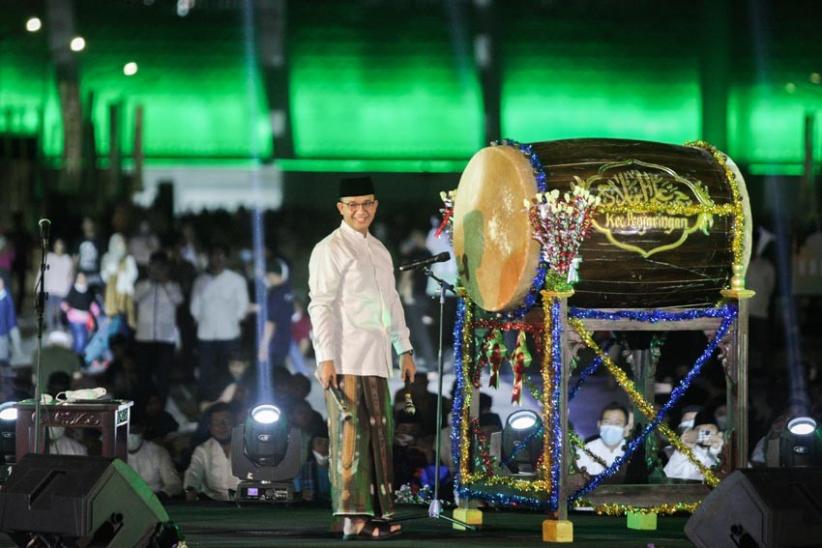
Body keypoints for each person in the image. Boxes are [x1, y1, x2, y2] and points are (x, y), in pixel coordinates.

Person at [308, 176, 415, 540]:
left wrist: (405, 348)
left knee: (377, 437)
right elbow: (320, 305)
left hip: (376, 359)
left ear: (376, 205)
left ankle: (376, 513)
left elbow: (393, 303)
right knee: (350, 438)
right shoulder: (331, 248)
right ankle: (351, 517)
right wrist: (325, 358)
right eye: (353, 205)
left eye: (367, 203)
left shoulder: (380, 250)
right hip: (345, 358)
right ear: (341, 208)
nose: (361, 211)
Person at [190, 244, 249, 401]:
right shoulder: (200, 281)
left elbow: (242, 306)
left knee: (229, 372)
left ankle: (230, 403)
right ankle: (205, 405)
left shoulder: (236, 280)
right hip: (206, 335)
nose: (217, 259)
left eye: (221, 256)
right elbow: (194, 307)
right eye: (214, 256)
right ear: (209, 258)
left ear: (227, 259)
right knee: (206, 372)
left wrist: (232, 320)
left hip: (229, 334)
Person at [134, 251, 183, 404]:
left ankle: (161, 408)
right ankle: (143, 407)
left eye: (160, 267)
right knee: (143, 376)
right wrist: (151, 282)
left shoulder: (173, 286)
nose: (156, 270)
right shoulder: (142, 285)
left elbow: (178, 300)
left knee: (163, 377)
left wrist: (164, 283)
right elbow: (136, 298)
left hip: (165, 338)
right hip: (144, 337)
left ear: (166, 268)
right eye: (154, 266)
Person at [183, 402, 240, 501]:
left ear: (236, 422)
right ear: (210, 427)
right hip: (213, 505)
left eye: (226, 421)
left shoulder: (251, 446)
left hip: (247, 503)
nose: (222, 426)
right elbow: (193, 474)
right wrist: (190, 491)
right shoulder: (203, 449)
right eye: (216, 422)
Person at [127, 420, 182, 500]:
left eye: (134, 431)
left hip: (156, 502)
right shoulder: (115, 454)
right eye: (127, 431)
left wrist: (162, 494)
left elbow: (174, 484)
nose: (130, 435)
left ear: (142, 432)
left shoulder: (158, 452)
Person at [257, 257, 294, 372]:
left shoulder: (275, 293)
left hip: (273, 344)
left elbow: (271, 321)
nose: (266, 278)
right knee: (279, 374)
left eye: (267, 275)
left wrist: (264, 346)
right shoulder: (288, 291)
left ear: (273, 274)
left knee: (270, 377)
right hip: (284, 341)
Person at [664, 409, 724, 481]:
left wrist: (718, 449)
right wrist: (682, 450)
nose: (704, 435)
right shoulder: (688, 454)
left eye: (708, 431)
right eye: (699, 431)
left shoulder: (725, 449)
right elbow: (670, 475)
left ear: (719, 433)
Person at [575, 402, 629, 476]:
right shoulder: (585, 451)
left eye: (617, 423)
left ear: (625, 428)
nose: (611, 427)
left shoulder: (632, 451)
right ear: (599, 425)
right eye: (607, 422)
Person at [43, 238, 75, 331]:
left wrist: (70, 288)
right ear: (54, 246)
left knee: (60, 311)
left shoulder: (67, 259)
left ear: (63, 247)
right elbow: (43, 273)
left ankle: (59, 328)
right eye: (56, 245)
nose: (58, 247)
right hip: (50, 289)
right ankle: (50, 329)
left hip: (62, 290)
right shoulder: (49, 257)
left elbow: (70, 275)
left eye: (60, 245)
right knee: (49, 310)